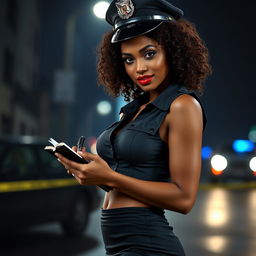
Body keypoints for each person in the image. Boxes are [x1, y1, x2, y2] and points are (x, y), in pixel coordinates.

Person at [56, 0, 211, 255]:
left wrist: (110, 177)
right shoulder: (133, 110)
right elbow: (128, 182)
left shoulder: (183, 106)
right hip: (119, 243)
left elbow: (184, 198)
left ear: (172, 52)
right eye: (129, 59)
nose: (139, 68)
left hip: (148, 244)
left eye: (149, 53)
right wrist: (93, 171)